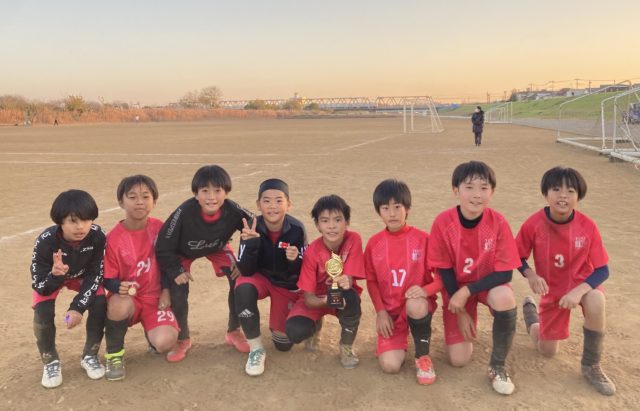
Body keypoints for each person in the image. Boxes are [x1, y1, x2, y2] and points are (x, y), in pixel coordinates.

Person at [516, 167, 616, 396]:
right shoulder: (533, 224)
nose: (563, 196)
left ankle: (591, 365)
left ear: (579, 196)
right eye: (556, 189)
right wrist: (531, 274)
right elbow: (516, 256)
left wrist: (578, 291)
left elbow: (602, 269)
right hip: (553, 292)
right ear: (545, 193)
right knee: (547, 351)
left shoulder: (587, 226)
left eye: (570, 191)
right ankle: (531, 316)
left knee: (596, 299)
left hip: (581, 286)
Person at [427, 161, 519, 395]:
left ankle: (497, 366)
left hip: (485, 286)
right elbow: (444, 270)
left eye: (484, 188)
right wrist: (460, 311)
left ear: (492, 192)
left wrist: (468, 291)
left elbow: (505, 272)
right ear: (455, 190)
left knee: (505, 297)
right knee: (458, 360)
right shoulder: (443, 222)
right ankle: (462, 324)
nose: (477, 194)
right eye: (469, 187)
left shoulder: (499, 222)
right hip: (455, 289)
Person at [156, 165, 254, 362]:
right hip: (182, 253)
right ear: (196, 194)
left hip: (217, 247)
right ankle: (183, 338)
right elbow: (163, 245)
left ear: (226, 193)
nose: (211, 197)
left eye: (217, 190)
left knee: (239, 280)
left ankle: (234, 331)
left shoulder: (233, 210)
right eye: (205, 191)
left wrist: (243, 260)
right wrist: (176, 270)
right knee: (178, 289)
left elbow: (253, 225)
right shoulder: (183, 212)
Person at [364, 179, 442, 385]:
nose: (392, 213)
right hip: (390, 313)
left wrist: (426, 290)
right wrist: (381, 312)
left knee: (415, 303)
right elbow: (371, 281)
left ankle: (422, 356)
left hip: (417, 306)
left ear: (407, 208)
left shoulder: (423, 239)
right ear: (378, 211)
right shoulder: (374, 244)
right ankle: (399, 337)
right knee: (390, 366)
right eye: (385, 208)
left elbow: (442, 277)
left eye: (397, 206)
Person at [102, 175, 179, 381]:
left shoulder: (161, 229)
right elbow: (107, 278)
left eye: (146, 196)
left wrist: (166, 290)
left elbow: (169, 263)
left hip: (155, 298)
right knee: (117, 304)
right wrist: (119, 286)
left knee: (165, 342)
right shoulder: (113, 239)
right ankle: (114, 355)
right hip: (130, 298)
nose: (139, 202)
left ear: (154, 201)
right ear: (121, 202)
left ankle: (152, 336)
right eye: (132, 197)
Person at [30, 190, 107, 388]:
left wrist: (77, 307)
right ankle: (50, 361)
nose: (80, 226)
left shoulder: (98, 237)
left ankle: (90, 355)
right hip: (52, 277)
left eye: (86, 220)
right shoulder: (45, 241)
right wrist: (55, 276)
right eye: (73, 221)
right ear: (60, 222)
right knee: (42, 312)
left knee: (100, 303)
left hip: (82, 277)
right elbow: (39, 286)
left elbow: (96, 275)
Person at [234, 178, 308, 376]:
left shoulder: (297, 229)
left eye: (279, 200)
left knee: (283, 344)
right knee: (243, 287)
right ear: (258, 205)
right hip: (260, 278)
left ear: (288, 204)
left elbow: (303, 270)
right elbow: (245, 270)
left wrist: (294, 260)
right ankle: (256, 348)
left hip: (284, 284)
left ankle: (311, 321)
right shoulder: (252, 226)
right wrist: (250, 245)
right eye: (266, 201)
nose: (272, 206)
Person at [285, 195, 364, 369]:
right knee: (295, 331)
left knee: (351, 299)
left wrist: (347, 280)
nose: (331, 226)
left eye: (338, 219)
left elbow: (350, 278)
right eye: (325, 220)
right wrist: (326, 301)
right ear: (317, 225)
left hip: (341, 296)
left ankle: (346, 346)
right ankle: (315, 325)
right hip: (318, 298)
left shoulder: (354, 239)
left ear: (347, 222)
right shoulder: (311, 252)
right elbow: (308, 299)